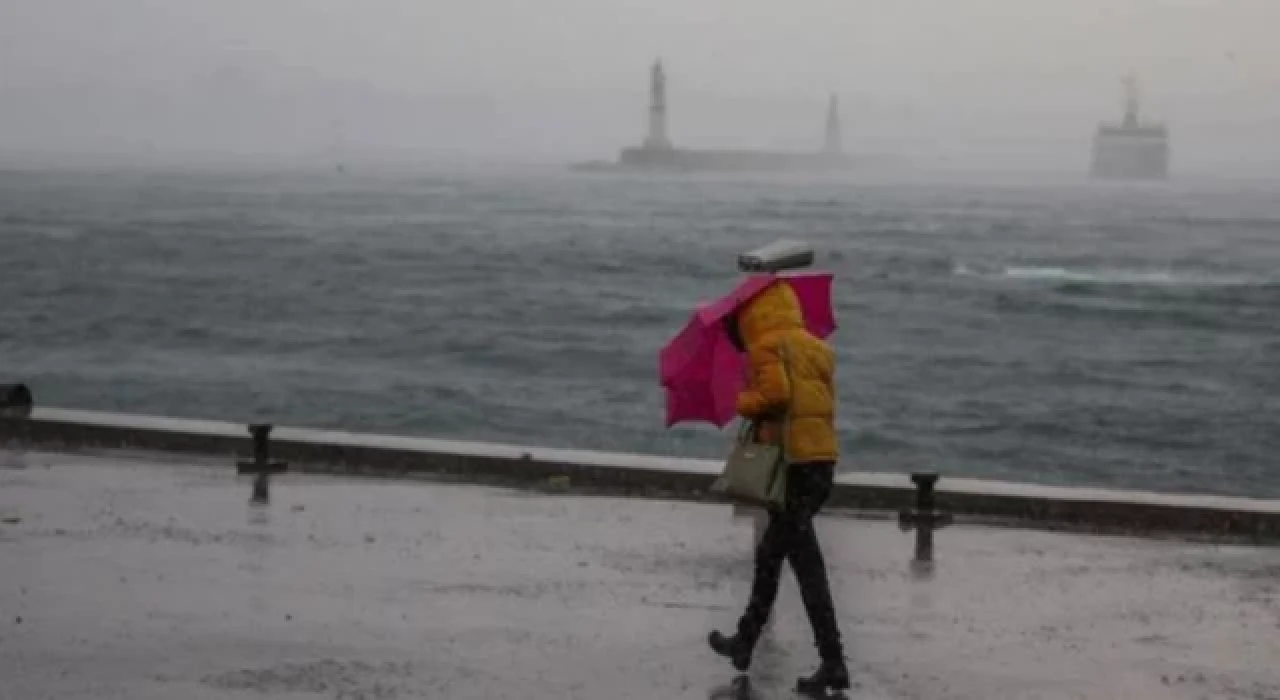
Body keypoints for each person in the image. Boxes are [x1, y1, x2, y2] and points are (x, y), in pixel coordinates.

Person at [709, 278, 849, 693]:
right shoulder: (816, 347)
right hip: (819, 463)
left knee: (801, 567)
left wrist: (743, 401)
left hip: (792, 468)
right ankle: (746, 642)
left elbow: (776, 394)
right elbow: (817, 402)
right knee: (775, 557)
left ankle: (832, 660)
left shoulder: (767, 346)